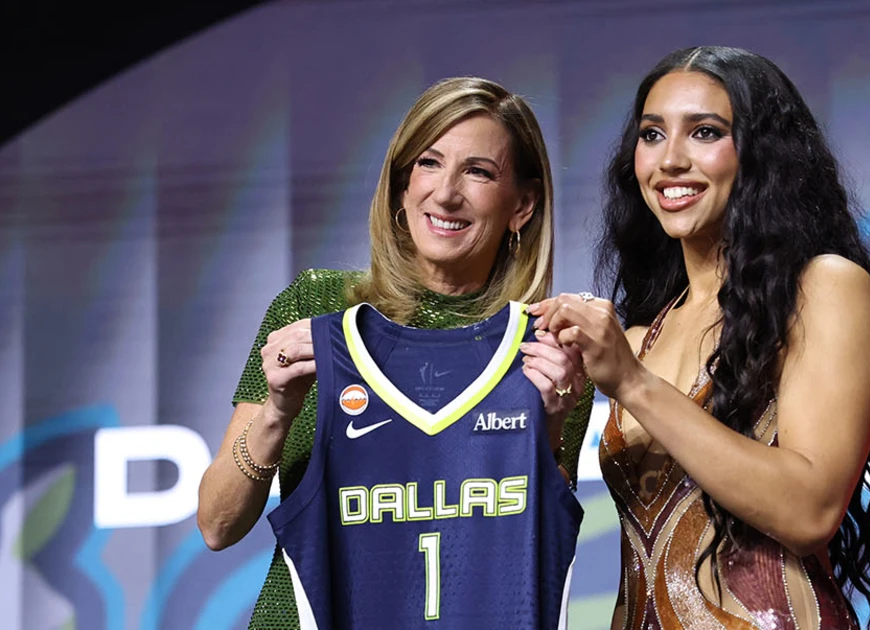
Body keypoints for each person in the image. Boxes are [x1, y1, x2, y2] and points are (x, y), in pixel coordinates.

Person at [530, 46, 870, 629]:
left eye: (705, 132)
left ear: (763, 155)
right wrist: (550, 423)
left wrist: (633, 385)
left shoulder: (824, 288)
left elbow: (810, 510)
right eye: (652, 135)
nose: (670, 160)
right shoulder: (642, 335)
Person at [197, 76, 594, 629]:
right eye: (429, 163)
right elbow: (217, 525)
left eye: (478, 172)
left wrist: (548, 426)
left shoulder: (546, 350)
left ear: (522, 204)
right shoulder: (315, 308)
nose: (446, 193)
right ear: (402, 185)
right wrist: (277, 412)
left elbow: (527, 554)